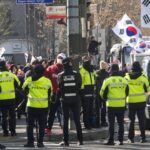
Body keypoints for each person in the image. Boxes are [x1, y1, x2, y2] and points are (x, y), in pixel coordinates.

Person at [22, 64, 52, 148]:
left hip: (31, 106)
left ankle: (30, 142)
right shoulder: (47, 81)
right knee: (42, 126)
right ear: (43, 72)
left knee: (30, 126)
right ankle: (40, 142)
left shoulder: (29, 79)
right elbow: (50, 93)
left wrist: (28, 94)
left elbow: (23, 88)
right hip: (43, 107)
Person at [100, 64, 129, 145]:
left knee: (111, 124)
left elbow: (102, 93)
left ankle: (111, 140)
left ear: (111, 70)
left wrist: (106, 99)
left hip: (111, 106)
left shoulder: (107, 80)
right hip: (121, 105)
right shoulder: (124, 80)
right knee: (120, 123)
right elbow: (127, 92)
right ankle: (121, 140)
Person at [58, 57, 83, 146]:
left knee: (65, 121)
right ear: (70, 64)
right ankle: (80, 140)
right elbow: (80, 86)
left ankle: (66, 141)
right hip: (75, 100)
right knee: (77, 120)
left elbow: (59, 87)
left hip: (65, 100)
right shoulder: (77, 74)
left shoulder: (60, 75)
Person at [125, 61, 150, 143]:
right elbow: (148, 90)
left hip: (131, 102)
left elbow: (124, 90)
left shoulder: (127, 78)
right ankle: (143, 138)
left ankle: (130, 138)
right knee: (141, 120)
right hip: (141, 102)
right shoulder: (143, 77)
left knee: (131, 120)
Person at [44, 53, 66, 135]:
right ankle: (50, 128)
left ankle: (53, 128)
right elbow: (45, 79)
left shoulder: (51, 68)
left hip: (57, 93)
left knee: (57, 112)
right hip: (57, 93)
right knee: (56, 112)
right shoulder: (51, 68)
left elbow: (45, 78)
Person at [0, 60, 20, 136]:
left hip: (1, 99)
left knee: (3, 116)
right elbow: (18, 84)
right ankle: (13, 132)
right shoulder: (12, 75)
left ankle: (5, 132)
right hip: (11, 99)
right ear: (5, 66)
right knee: (12, 116)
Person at [79, 55, 95, 129]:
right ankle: (87, 124)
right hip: (85, 90)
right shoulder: (81, 69)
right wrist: (82, 90)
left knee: (91, 109)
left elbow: (95, 77)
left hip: (91, 89)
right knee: (86, 109)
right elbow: (81, 81)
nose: (89, 61)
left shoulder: (91, 69)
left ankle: (90, 123)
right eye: (87, 60)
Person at [95, 60, 109, 127]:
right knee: (104, 108)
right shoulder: (107, 74)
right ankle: (103, 121)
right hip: (104, 93)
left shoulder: (97, 73)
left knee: (97, 108)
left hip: (97, 92)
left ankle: (97, 122)